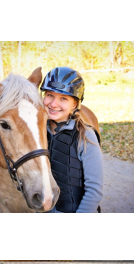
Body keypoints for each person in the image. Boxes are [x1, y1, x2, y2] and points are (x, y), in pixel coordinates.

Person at [41, 67, 103, 213]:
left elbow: (94, 190)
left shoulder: (85, 136)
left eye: (63, 98)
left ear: (74, 104)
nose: (54, 104)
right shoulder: (38, 132)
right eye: (50, 95)